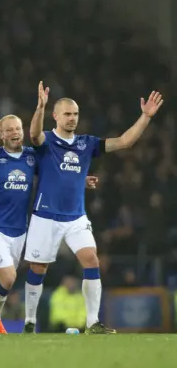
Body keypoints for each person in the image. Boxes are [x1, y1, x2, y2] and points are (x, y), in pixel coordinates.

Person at [23, 82, 163, 334]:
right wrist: (40, 107)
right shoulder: (48, 141)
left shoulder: (86, 143)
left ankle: (92, 323)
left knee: (91, 260)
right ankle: (30, 321)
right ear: (56, 116)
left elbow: (123, 142)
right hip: (45, 215)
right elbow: (33, 136)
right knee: (38, 268)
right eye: (67, 114)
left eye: (75, 114)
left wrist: (145, 117)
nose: (72, 118)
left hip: (76, 216)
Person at [0, 114, 99, 334]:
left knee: (8, 281)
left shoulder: (31, 156)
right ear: (1, 134)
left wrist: (79, 181)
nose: (14, 133)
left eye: (17, 128)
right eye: (8, 130)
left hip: (20, 230)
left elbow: (55, 174)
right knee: (8, 276)